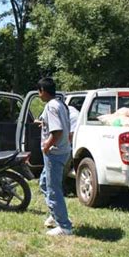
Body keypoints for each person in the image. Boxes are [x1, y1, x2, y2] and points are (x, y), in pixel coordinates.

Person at [37, 78, 73, 236]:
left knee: (53, 189)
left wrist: (46, 145)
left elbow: (57, 131)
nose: (39, 95)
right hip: (63, 150)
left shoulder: (51, 106)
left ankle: (64, 226)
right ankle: (55, 214)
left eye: (39, 92)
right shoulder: (60, 104)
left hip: (54, 153)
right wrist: (43, 124)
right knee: (44, 183)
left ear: (43, 91)